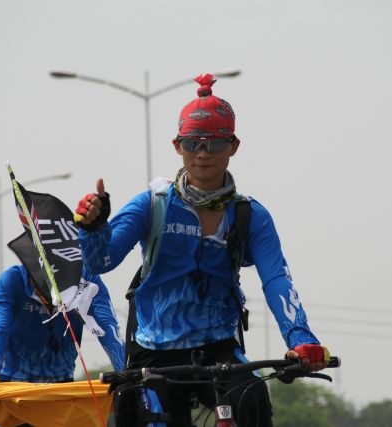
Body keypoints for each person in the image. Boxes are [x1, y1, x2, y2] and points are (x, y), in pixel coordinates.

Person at [74, 73, 330, 426]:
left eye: (216, 143)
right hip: (154, 350)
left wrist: (301, 339)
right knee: (144, 417)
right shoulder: (151, 205)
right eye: (194, 143)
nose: (204, 153)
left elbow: (277, 281)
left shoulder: (251, 215)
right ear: (177, 146)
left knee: (254, 397)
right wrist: (93, 228)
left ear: (234, 146)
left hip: (219, 347)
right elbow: (101, 261)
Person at [0, 263, 125, 384]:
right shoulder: (11, 280)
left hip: (62, 380)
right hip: (12, 381)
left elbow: (107, 326)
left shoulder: (87, 277)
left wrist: (125, 372)